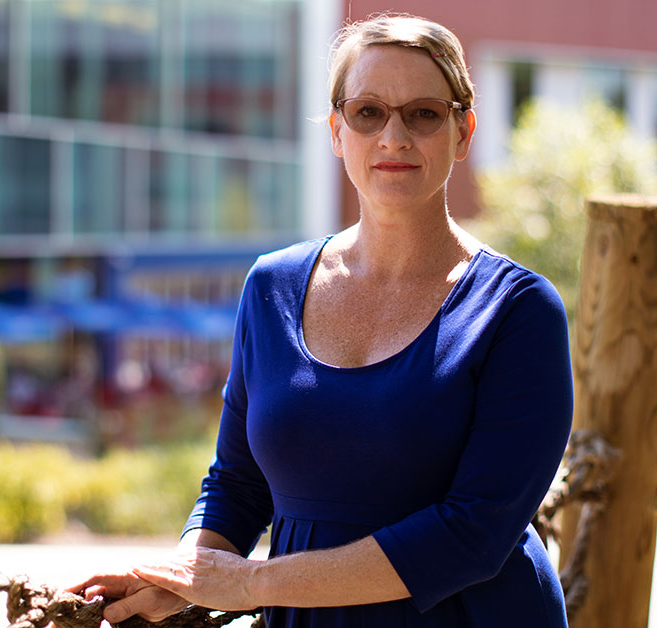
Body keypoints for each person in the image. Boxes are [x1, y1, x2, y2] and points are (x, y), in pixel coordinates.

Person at [69, 13, 573, 627]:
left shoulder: (519, 310)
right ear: (336, 131)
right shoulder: (271, 287)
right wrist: (176, 578)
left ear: (462, 132)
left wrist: (251, 583)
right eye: (368, 112)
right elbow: (237, 487)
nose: (394, 137)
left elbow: (473, 533)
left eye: (423, 113)